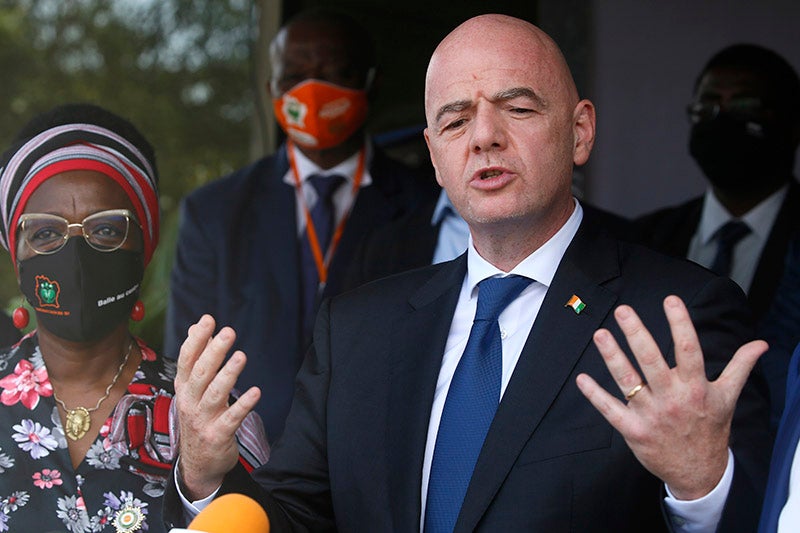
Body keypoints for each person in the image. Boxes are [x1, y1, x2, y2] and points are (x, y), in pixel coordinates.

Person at [164, 15, 771, 531]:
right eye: (456, 121)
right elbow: (294, 513)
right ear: (434, 157)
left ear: (580, 131)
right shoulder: (355, 331)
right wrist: (201, 477)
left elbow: (764, 514)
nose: (484, 137)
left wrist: (701, 487)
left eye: (519, 107)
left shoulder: (678, 318)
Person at [165, 8, 429, 443]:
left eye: (334, 72)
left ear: (371, 83)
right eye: (294, 76)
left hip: (380, 462)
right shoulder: (214, 213)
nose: (312, 90)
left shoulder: (430, 205)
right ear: (272, 89)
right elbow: (187, 364)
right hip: (248, 466)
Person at [0, 103, 268, 532]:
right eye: (46, 233)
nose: (77, 257)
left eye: (106, 229)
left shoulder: (207, 416)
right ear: (17, 256)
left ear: (145, 248)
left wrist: (203, 484)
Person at [634, 44, 800, 323]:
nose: (722, 120)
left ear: (793, 125)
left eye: (744, 106)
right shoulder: (646, 239)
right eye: (707, 107)